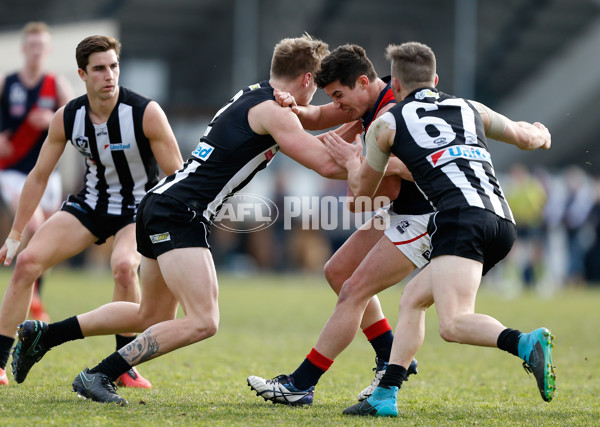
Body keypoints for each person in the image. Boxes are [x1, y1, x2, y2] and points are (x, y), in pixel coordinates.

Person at [10, 34, 372, 406]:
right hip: (181, 212)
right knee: (204, 320)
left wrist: (365, 115)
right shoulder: (274, 112)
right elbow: (328, 162)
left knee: (149, 314)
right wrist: (365, 150)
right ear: (308, 80)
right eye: (322, 88)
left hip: (160, 202)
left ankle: (46, 335)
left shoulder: (256, 96)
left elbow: (322, 120)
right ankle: (99, 374)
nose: (326, 100)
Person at [322, 41, 555, 417]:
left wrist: (352, 161)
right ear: (435, 79)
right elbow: (525, 137)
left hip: (460, 219)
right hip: (502, 220)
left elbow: (364, 189)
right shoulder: (469, 108)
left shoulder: (387, 122)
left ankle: (524, 343)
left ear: (393, 85)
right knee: (413, 299)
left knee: (454, 323)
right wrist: (543, 135)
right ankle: (385, 395)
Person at [0, 35, 183, 389]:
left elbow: (177, 178)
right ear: (82, 74)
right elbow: (38, 177)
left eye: (113, 66)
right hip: (91, 205)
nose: (109, 75)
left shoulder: (145, 112)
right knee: (26, 263)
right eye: (99, 69)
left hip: (138, 209)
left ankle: (123, 366)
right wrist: (16, 234)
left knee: (124, 267)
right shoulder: (69, 117)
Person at [247, 44, 424, 406]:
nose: (338, 106)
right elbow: (317, 117)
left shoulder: (388, 112)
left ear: (362, 82)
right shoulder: (372, 101)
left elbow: (378, 189)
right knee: (338, 271)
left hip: (424, 213)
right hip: (401, 209)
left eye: (341, 97)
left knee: (356, 291)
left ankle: (300, 384)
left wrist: (357, 163)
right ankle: (390, 353)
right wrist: (289, 105)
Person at [0, 22, 74, 324]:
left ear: (48, 50)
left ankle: (36, 293)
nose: (35, 51)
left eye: (41, 46)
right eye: (31, 46)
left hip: (47, 173)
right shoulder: (8, 83)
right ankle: (30, 293)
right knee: (33, 225)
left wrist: (54, 119)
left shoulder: (56, 85)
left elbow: (75, 118)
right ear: (23, 49)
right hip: (14, 172)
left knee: (46, 235)